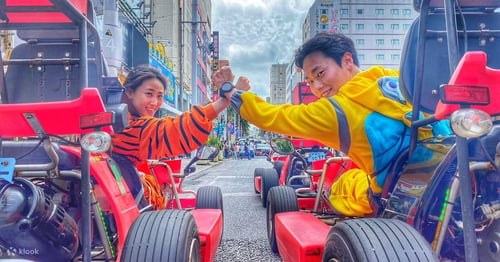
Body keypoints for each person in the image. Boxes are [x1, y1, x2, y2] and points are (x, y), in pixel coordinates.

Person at [212, 32, 449, 217]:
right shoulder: (395, 79)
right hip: (448, 172)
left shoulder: (336, 111)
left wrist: (230, 91)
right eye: (311, 80)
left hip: (398, 196)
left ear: (347, 60)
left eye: (321, 73)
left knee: (339, 187)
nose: (317, 86)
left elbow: (269, 115)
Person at [112, 65, 231, 208]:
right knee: (151, 188)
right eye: (149, 94)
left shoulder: (110, 115)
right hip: (121, 201)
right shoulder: (131, 126)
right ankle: (165, 196)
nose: (154, 103)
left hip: (109, 187)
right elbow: (177, 130)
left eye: (159, 96)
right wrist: (225, 99)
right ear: (130, 92)